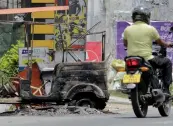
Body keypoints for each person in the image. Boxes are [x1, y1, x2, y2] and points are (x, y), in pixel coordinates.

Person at [123, 6, 173, 94]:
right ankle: (166, 88)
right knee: (167, 62)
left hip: (131, 59)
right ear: (146, 17)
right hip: (147, 59)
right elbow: (160, 42)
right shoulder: (150, 29)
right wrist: (168, 44)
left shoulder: (127, 29)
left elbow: (125, 44)